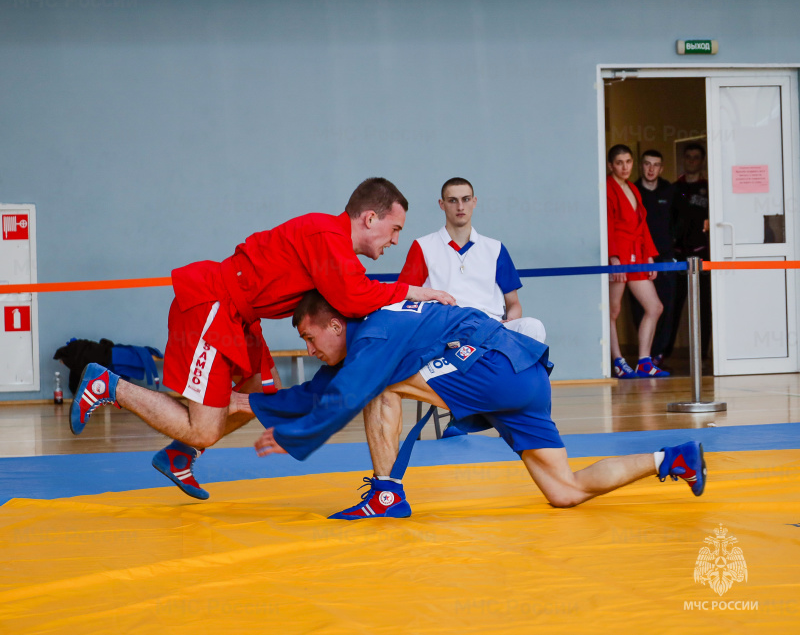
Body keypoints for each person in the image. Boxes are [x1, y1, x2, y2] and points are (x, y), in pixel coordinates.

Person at [69, 178, 456, 500]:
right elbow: (352, 299)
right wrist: (415, 292)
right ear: (371, 218)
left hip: (241, 318)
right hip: (213, 305)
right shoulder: (325, 233)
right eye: (395, 229)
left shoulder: (336, 248)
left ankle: (181, 452)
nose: (395, 241)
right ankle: (110, 386)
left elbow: (349, 294)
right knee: (206, 425)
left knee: (262, 396)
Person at [228, 290, 706, 519]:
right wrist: (251, 403)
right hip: (526, 376)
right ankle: (672, 459)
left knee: (380, 387)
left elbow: (346, 394)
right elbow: (320, 391)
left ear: (334, 325)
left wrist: (291, 435)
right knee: (565, 490)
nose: (310, 350)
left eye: (310, 338)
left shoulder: (374, 334)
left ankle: (386, 494)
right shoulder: (369, 340)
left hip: (492, 366)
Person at [397, 177, 545, 342]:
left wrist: (510, 320)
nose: (460, 206)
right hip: (446, 330)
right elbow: (406, 295)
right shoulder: (423, 246)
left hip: (491, 329)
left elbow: (514, 303)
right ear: (442, 204)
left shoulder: (495, 248)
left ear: (474, 202)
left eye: (466, 199)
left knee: (533, 327)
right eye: (453, 200)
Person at [606, 145, 669, 378]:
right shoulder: (607, 187)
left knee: (655, 307)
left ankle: (644, 361)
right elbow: (608, 223)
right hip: (619, 256)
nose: (625, 167)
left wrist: (649, 256)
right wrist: (613, 257)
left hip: (637, 255)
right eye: (620, 162)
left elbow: (642, 225)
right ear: (611, 165)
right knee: (613, 310)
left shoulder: (633, 187)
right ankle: (618, 361)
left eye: (628, 162)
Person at [664, 143, 712, 362]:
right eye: (689, 157)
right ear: (684, 160)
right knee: (672, 306)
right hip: (679, 257)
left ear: (701, 161)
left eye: (696, 157)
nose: (692, 160)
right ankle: (663, 354)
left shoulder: (709, 188)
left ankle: (702, 355)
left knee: (704, 307)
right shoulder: (675, 188)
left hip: (703, 255)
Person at [630, 150, 677, 367]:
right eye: (647, 164)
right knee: (641, 308)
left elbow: (680, 217)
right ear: (641, 166)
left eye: (655, 165)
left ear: (661, 168)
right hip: (639, 259)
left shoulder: (671, 190)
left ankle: (659, 352)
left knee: (665, 307)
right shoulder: (633, 191)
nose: (651, 169)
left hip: (665, 258)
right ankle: (645, 355)